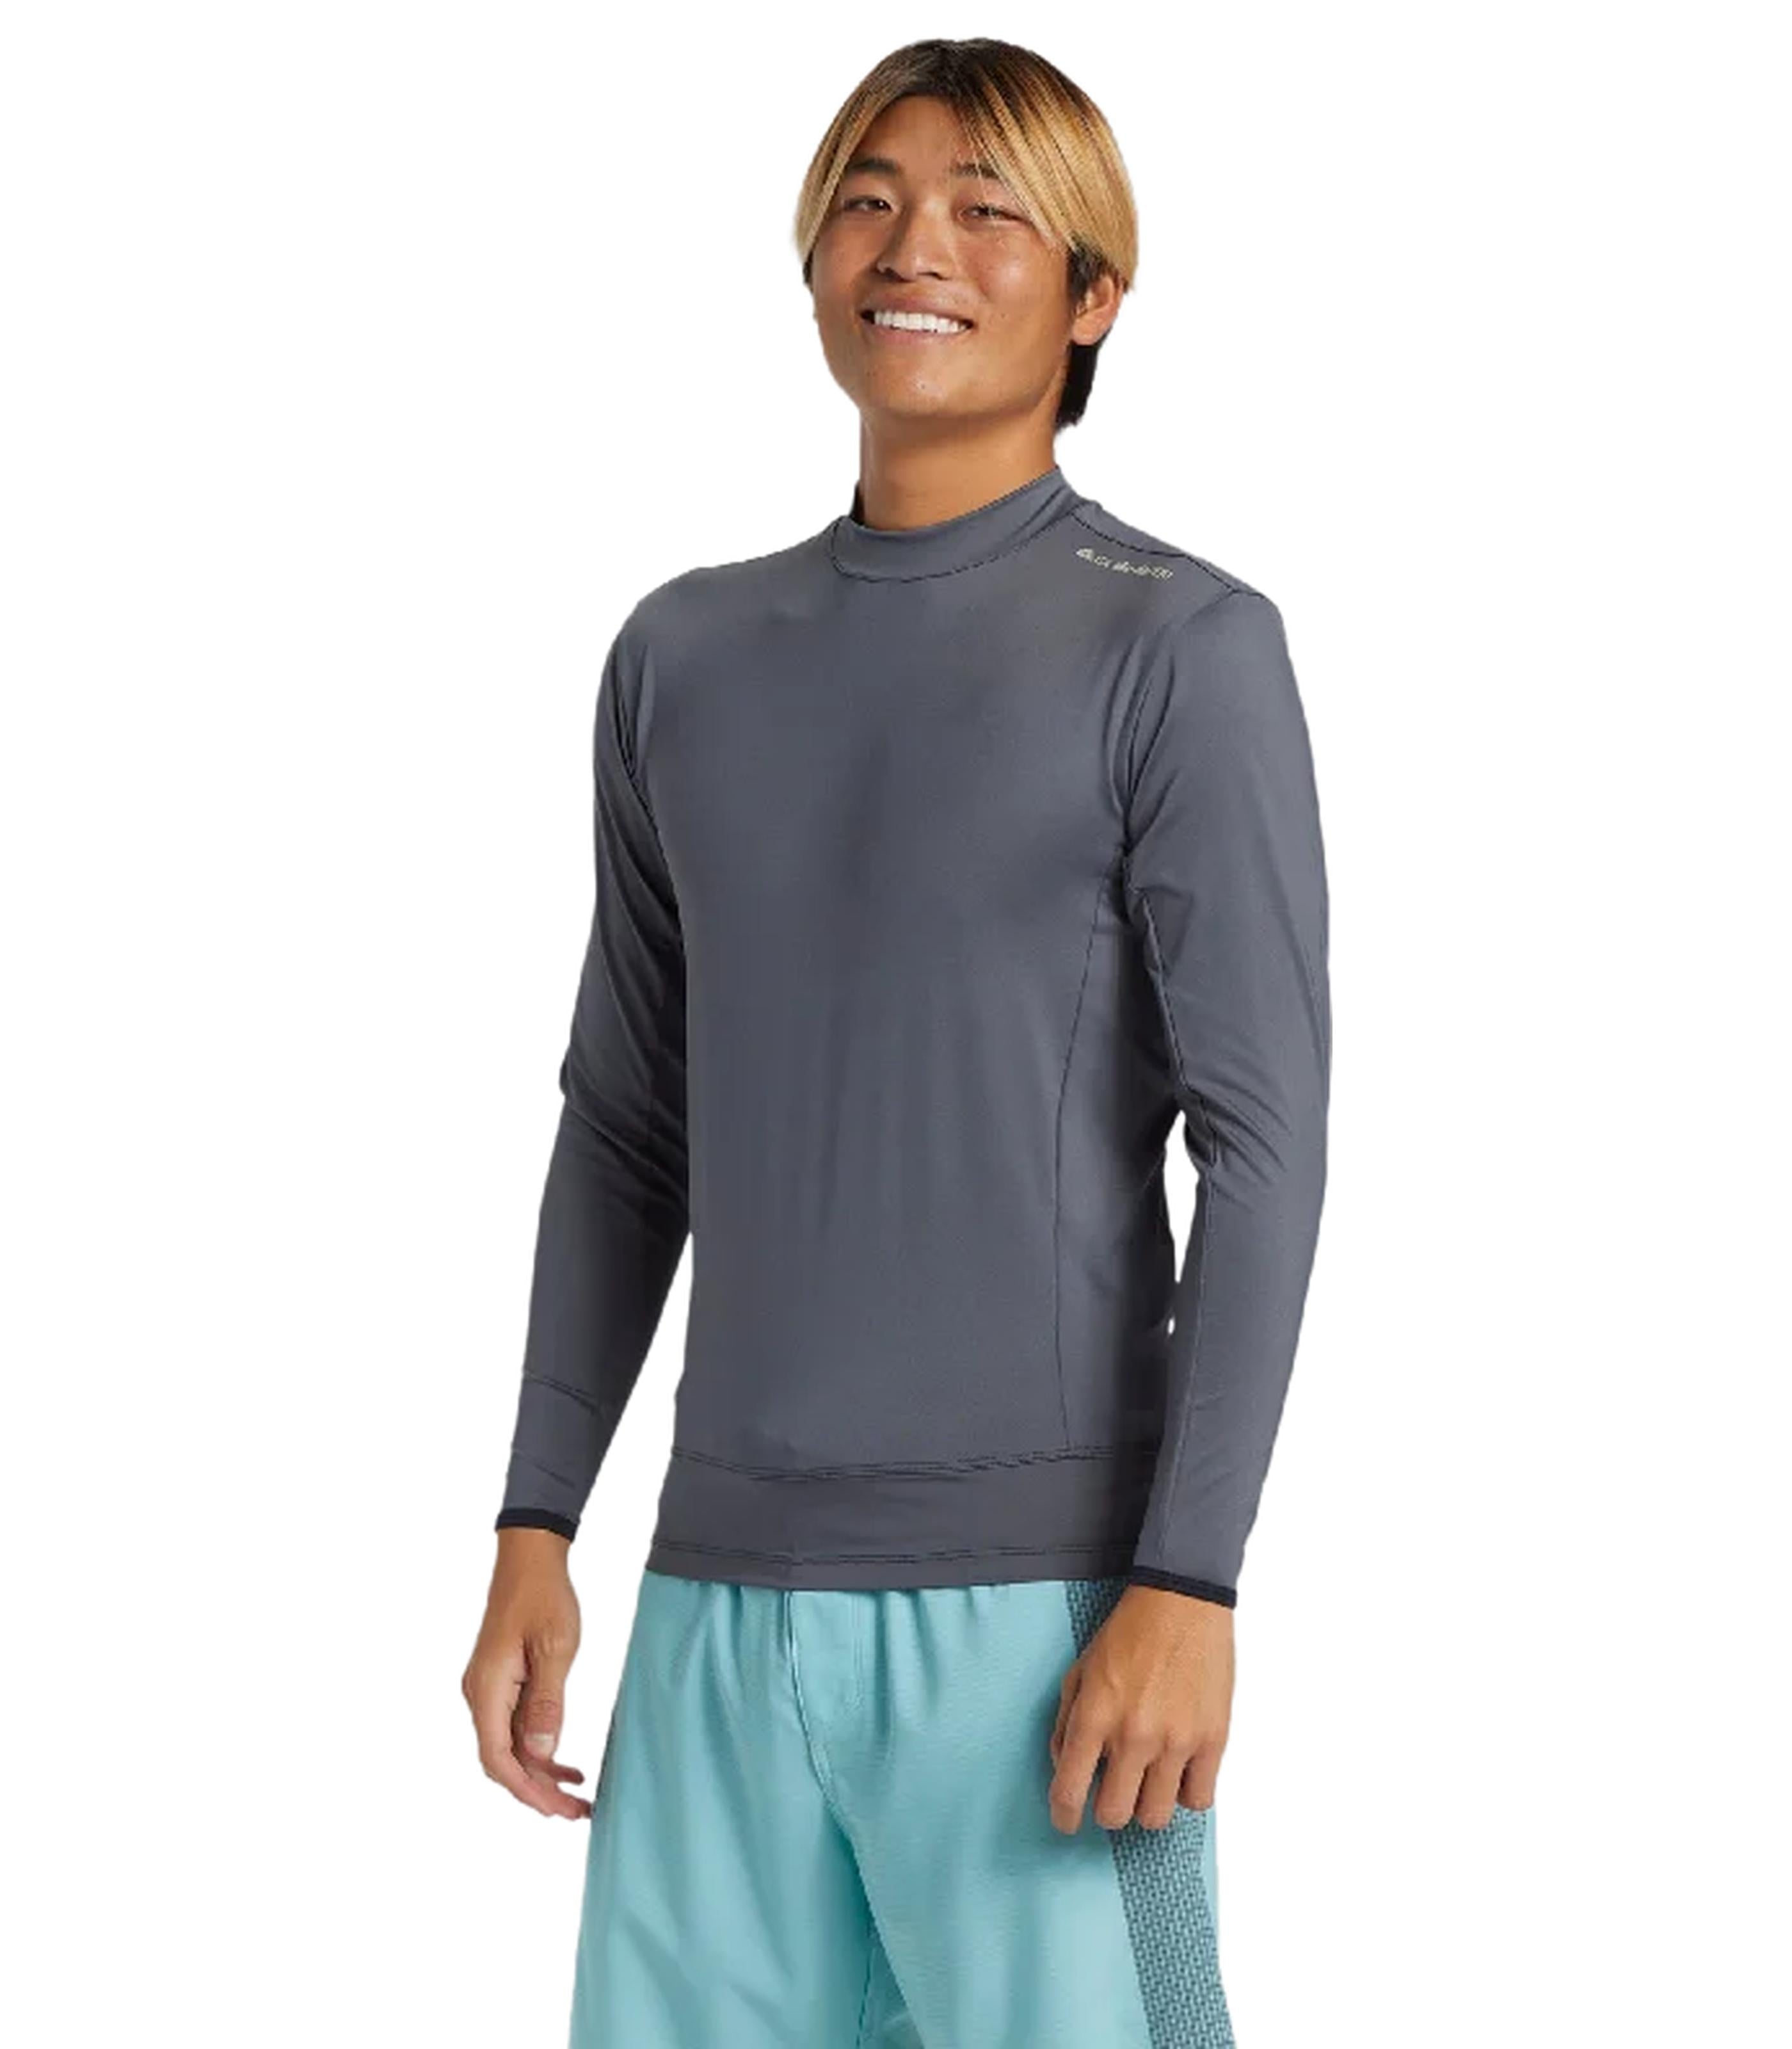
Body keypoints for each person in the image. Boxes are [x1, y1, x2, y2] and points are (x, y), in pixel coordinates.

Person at [461, 36, 1330, 2049]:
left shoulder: (1180, 648)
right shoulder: (683, 655)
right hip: (714, 1603)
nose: (912, 244)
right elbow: (627, 1122)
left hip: (1044, 1620)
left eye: (984, 208)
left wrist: (1191, 1581)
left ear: (1094, 295)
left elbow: (1263, 1141)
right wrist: (536, 1518)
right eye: (869, 199)